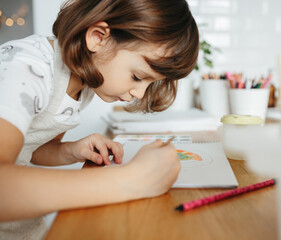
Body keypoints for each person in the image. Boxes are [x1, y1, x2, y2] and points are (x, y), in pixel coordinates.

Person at [0, 0, 199, 238]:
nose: (140, 94)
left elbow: (32, 150)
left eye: (150, 83)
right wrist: (130, 180)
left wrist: (70, 150)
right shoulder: (25, 68)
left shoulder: (83, 84)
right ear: (98, 37)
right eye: (137, 76)